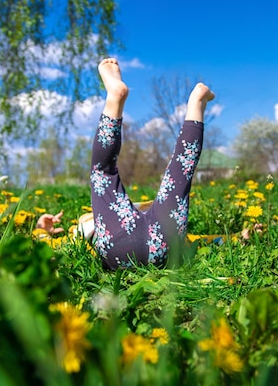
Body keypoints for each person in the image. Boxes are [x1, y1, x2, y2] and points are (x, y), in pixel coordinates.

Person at [89, 58, 215, 270]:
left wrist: (45, 229)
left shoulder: (83, 222)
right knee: (103, 172)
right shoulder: (126, 210)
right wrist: (234, 237)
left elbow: (60, 242)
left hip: (123, 244)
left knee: (181, 171)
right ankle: (116, 99)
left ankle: (197, 104)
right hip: (162, 241)